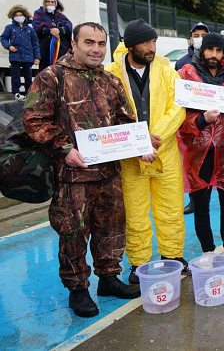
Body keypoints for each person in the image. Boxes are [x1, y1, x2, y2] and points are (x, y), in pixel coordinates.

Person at [23, 22, 140, 317]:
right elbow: (34, 121)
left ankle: (109, 278)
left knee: (111, 227)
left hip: (109, 172)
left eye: (101, 44)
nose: (96, 49)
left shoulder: (111, 81)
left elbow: (126, 120)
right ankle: (78, 290)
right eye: (89, 42)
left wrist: (137, 142)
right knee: (73, 232)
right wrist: (64, 150)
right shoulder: (53, 77)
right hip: (72, 174)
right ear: (74, 43)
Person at [105, 19, 187, 284]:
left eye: (154, 42)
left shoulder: (165, 68)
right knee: (135, 211)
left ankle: (172, 256)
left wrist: (154, 139)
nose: (152, 48)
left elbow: (178, 107)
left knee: (171, 208)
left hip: (165, 153)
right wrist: (138, 143)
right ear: (131, 46)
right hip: (130, 158)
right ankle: (138, 263)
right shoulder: (112, 73)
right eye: (146, 42)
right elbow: (108, 114)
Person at [178, 32, 224, 264]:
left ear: (223, 53)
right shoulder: (186, 74)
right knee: (200, 202)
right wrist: (201, 120)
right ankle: (208, 249)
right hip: (198, 149)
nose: (214, 55)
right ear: (203, 51)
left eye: (218, 51)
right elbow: (179, 114)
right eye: (210, 50)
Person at [178, 22, 210, 215]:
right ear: (190, 38)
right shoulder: (182, 63)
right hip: (193, 123)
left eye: (203, 34)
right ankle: (193, 199)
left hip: (215, 120)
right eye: (196, 35)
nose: (199, 38)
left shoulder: (217, 60)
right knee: (193, 163)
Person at [1, 5, 39, 100]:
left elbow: (35, 44)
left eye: (20, 15)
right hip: (15, 56)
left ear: (25, 16)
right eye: (16, 15)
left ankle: (28, 94)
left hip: (28, 57)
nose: (19, 16)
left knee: (28, 77)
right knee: (15, 76)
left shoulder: (30, 29)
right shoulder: (9, 28)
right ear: (13, 16)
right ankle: (16, 93)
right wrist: (9, 46)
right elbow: (3, 38)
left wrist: (37, 57)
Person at [32, 0, 73, 70]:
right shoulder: (39, 13)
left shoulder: (60, 16)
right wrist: (50, 30)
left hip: (60, 49)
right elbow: (36, 26)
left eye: (52, 2)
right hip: (45, 49)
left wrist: (59, 30)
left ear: (56, 3)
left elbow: (69, 26)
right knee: (46, 71)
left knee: (60, 70)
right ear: (45, 3)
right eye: (48, 1)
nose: (50, 3)